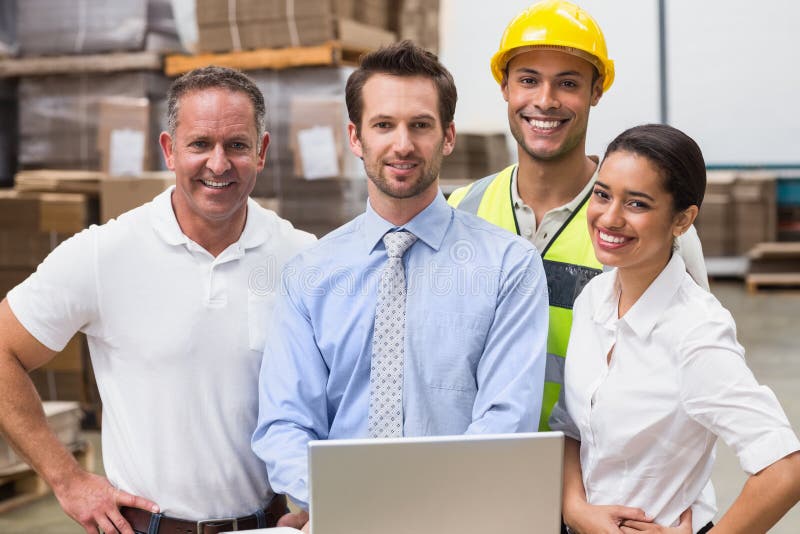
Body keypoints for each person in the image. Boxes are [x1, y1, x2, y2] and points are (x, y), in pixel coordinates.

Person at [0, 66, 315, 534]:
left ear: (262, 152)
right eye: (200, 144)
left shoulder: (302, 258)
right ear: (169, 150)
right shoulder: (106, 255)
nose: (218, 163)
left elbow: (339, 393)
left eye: (237, 145)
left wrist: (321, 496)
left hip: (267, 527)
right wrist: (66, 480)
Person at [252, 40, 549, 532]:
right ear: (355, 136)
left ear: (448, 135)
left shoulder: (509, 267)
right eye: (384, 125)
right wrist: (348, 505)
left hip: (462, 523)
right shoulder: (310, 274)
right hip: (340, 521)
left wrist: (417, 511)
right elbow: (285, 425)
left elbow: (504, 424)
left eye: (421, 125)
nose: (403, 144)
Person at [447, 0, 709, 431]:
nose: (545, 101)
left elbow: (692, 367)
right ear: (505, 88)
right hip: (485, 463)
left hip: (601, 475)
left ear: (596, 92)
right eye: (528, 80)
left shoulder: (655, 229)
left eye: (567, 83)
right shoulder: (461, 210)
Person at [550, 123, 800, 533]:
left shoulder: (695, 331)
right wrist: (576, 507)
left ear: (682, 220)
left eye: (637, 204)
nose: (609, 218)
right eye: (602, 194)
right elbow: (572, 425)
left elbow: (785, 469)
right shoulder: (593, 298)